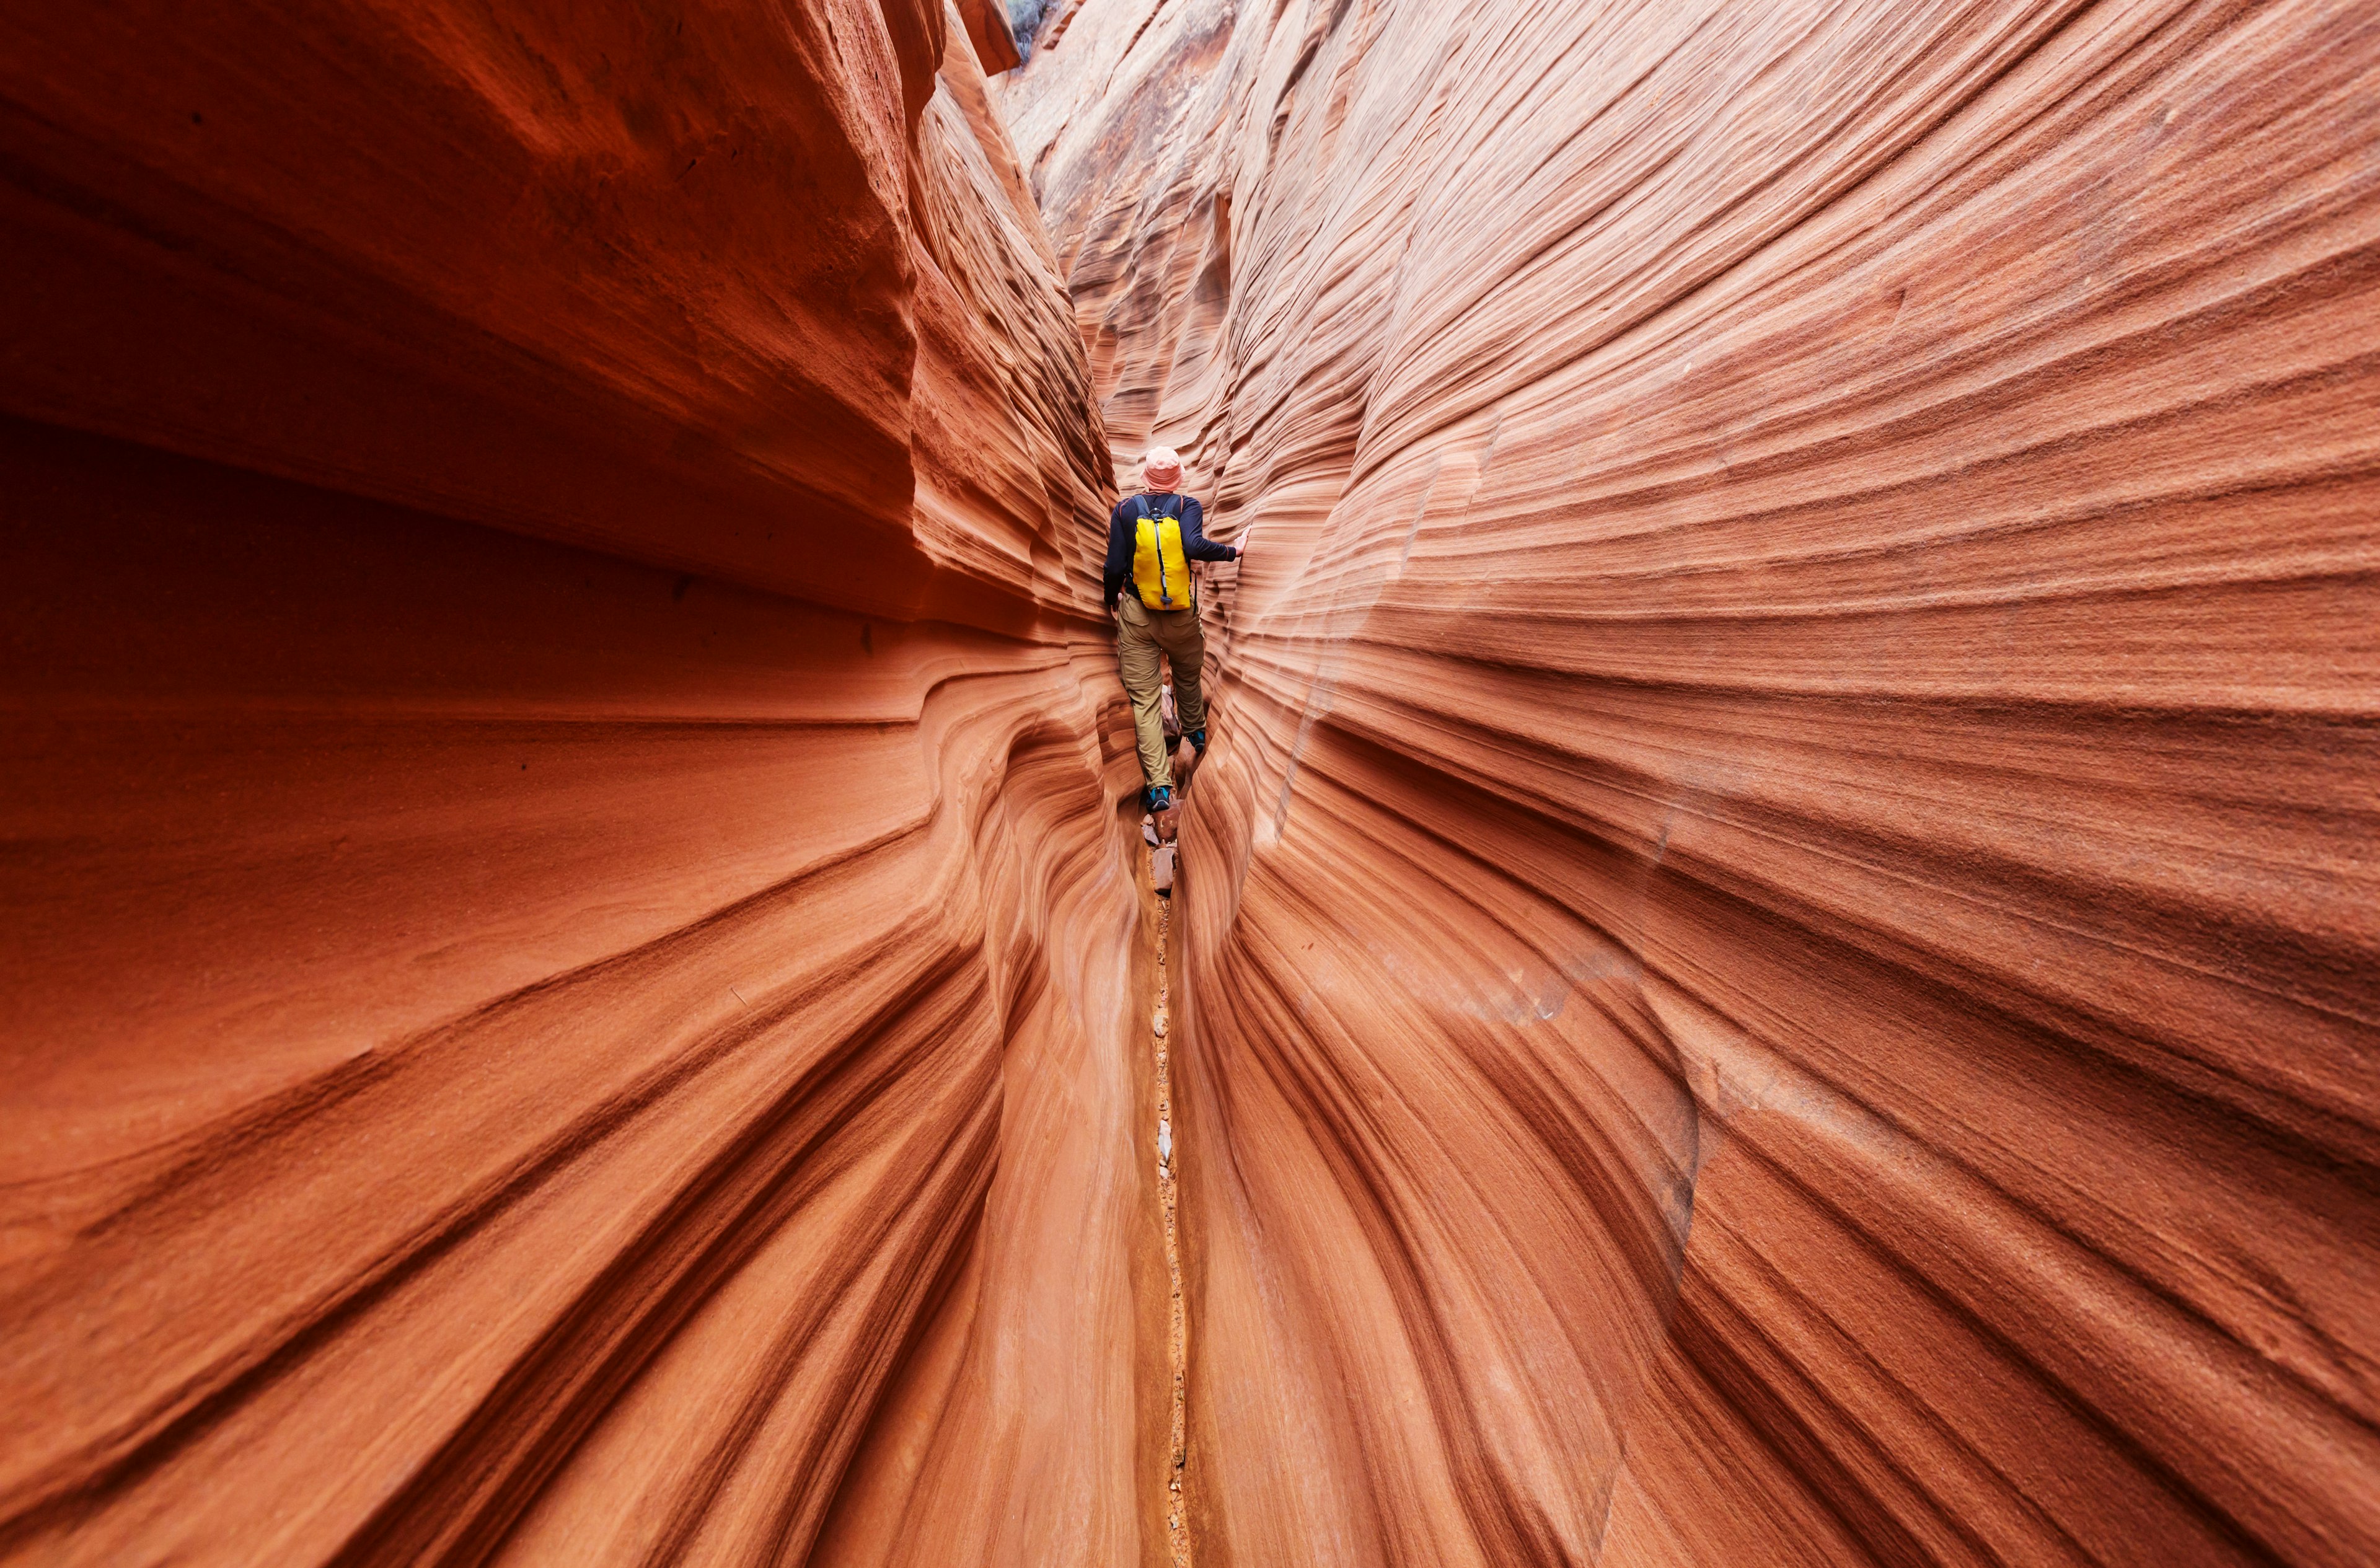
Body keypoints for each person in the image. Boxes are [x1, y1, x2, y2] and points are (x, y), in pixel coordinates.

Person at [1102, 446, 1254, 816]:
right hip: (1181, 615)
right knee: (1187, 676)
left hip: (1137, 615)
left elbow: (1114, 565)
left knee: (1146, 703)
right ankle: (1197, 734)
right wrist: (1234, 551)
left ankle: (1158, 789)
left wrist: (1111, 598)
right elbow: (1193, 546)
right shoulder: (1188, 507)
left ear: (1147, 479)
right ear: (1178, 479)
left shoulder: (1124, 511)